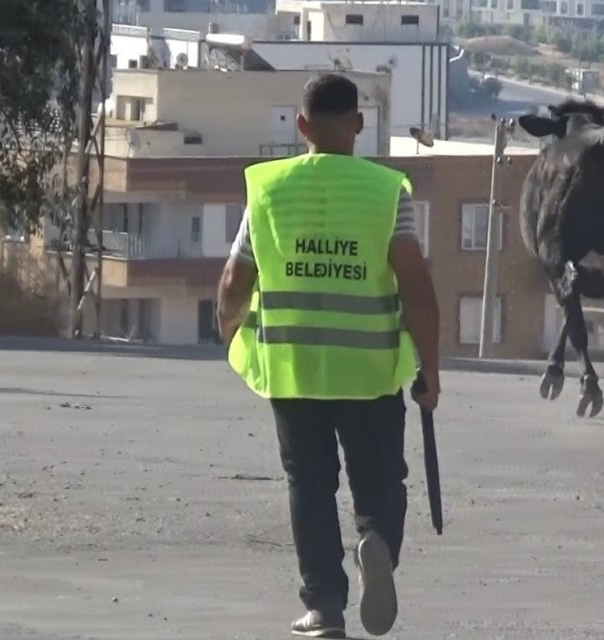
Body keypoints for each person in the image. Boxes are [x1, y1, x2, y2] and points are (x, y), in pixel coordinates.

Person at [215, 72, 441, 639]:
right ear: (359, 126)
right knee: (381, 479)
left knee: (310, 487)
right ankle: (378, 543)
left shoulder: (269, 191)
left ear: (301, 126)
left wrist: (232, 336)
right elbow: (416, 287)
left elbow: (232, 286)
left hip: (293, 372)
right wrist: (430, 371)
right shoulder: (386, 193)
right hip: (368, 370)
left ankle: (323, 608)